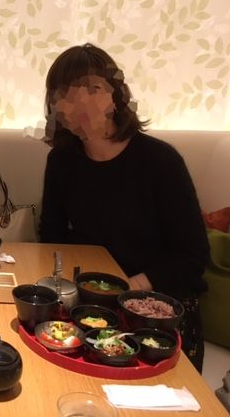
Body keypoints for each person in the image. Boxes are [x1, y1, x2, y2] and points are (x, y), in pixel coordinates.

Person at [39, 43, 210, 371]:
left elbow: (193, 256)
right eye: (67, 93)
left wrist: (131, 287)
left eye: (93, 88)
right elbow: (52, 236)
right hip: (92, 304)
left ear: (116, 97)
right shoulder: (61, 161)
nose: (81, 101)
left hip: (156, 310)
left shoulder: (161, 162)